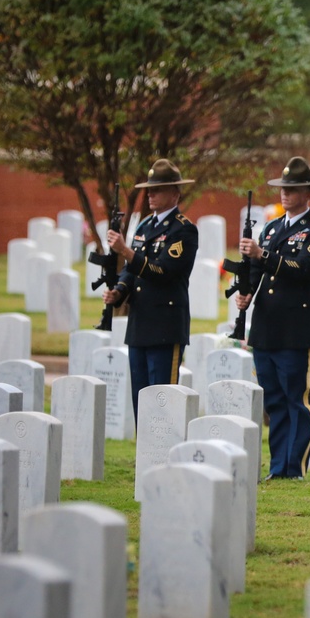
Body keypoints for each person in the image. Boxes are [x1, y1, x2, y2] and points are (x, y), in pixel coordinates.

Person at [236, 156, 310, 480]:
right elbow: (255, 269)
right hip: (266, 325)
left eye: (291, 189)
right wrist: (245, 290)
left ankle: (296, 467)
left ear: (308, 192)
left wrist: (262, 255)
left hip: (296, 327)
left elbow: (305, 270)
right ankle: (278, 467)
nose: (284, 194)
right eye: (282, 188)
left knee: (297, 399)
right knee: (274, 400)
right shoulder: (273, 227)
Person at [103, 159, 198, 423]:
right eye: (149, 189)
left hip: (165, 327)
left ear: (175, 193)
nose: (151, 194)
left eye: (158, 189)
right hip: (140, 324)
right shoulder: (145, 227)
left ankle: (164, 459)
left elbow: (164, 272)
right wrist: (119, 291)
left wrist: (125, 251)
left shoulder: (184, 230)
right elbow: (131, 272)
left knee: (162, 402)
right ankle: (145, 460)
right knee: (141, 401)